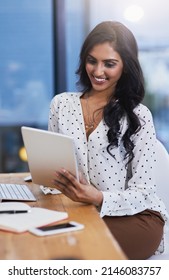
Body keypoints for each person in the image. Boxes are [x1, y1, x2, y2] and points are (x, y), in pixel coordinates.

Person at [48, 21, 169, 259]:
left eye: (109, 64)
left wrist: (99, 197)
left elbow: (144, 192)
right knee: (46, 239)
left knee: (69, 248)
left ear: (126, 66)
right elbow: (53, 167)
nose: (98, 71)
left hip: (136, 217)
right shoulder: (61, 104)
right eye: (92, 60)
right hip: (84, 210)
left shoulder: (138, 115)